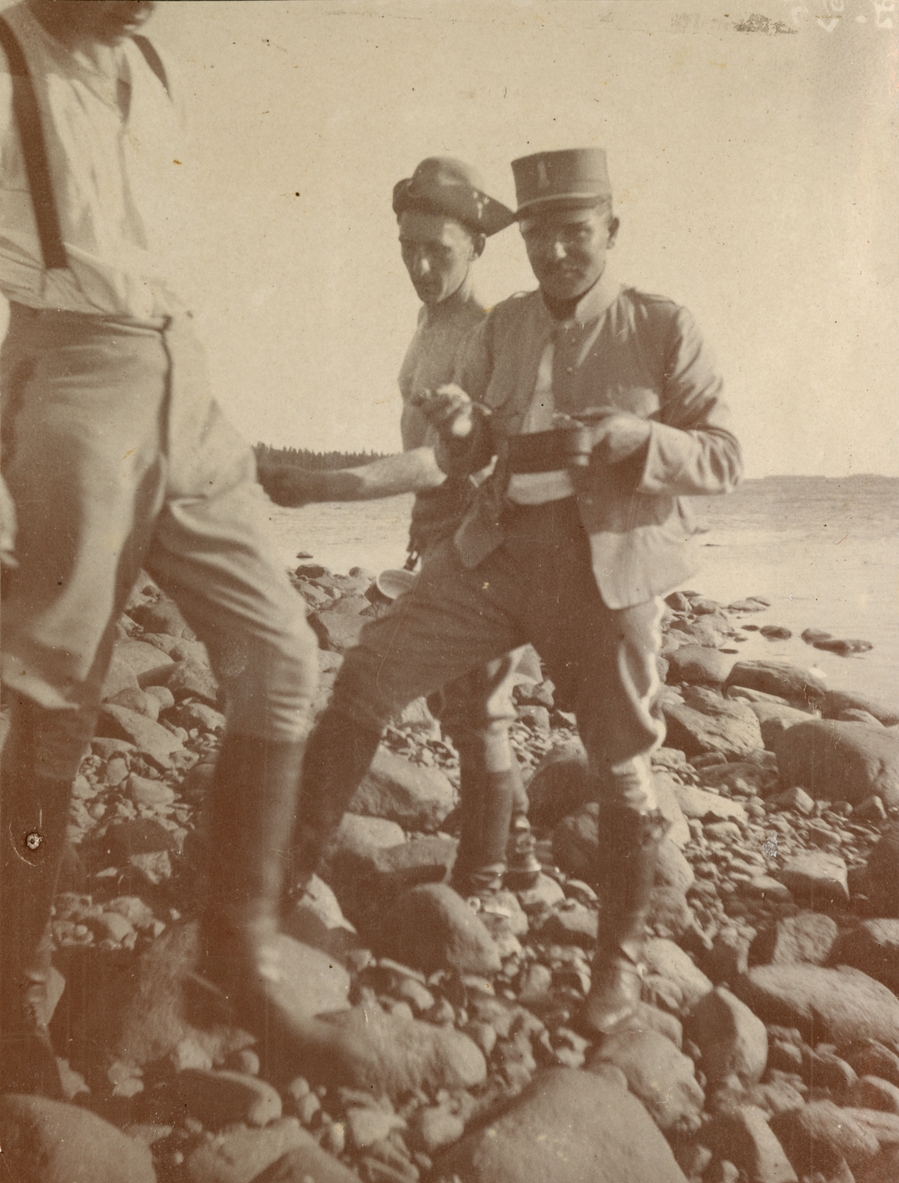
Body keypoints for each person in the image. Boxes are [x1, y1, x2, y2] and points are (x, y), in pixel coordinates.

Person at [289, 147, 742, 1038]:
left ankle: (615, 961)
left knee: (620, 763)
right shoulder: (504, 325)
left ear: (610, 230)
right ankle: (277, 890)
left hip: (605, 564)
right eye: (539, 237)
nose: (556, 252)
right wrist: (464, 428)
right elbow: (476, 452)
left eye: (575, 233)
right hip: (494, 551)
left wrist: (636, 438)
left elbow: (723, 457)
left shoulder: (661, 324)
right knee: (369, 674)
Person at [0, 0, 365, 1096]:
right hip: (74, 376)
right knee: (54, 694)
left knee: (284, 654)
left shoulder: (151, 65)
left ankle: (238, 958)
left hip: (184, 378)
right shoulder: (9, 57)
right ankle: (9, 997)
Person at [263, 157, 541, 897]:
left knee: (458, 705)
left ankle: (479, 880)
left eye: (437, 250)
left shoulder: (483, 333)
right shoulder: (431, 319)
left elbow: (435, 464)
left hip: (481, 540)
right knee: (467, 707)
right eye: (407, 248)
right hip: (438, 538)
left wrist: (322, 487)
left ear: (476, 245)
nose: (420, 266)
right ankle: (513, 857)